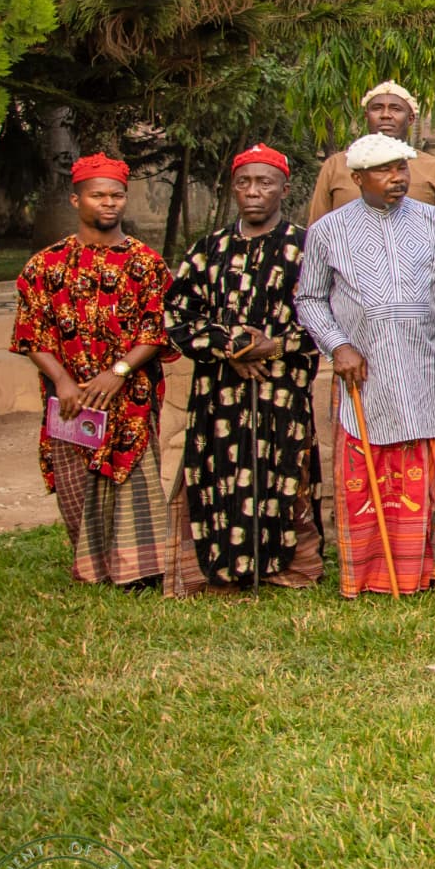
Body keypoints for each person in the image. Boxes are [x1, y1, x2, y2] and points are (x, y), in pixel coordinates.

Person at [11, 154, 188, 592]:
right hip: (70, 399)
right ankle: (93, 566)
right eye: (98, 195)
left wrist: (119, 371)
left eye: (117, 195)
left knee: (135, 481)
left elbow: (158, 329)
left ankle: (139, 571)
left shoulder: (147, 264)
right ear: (77, 199)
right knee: (77, 484)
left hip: (130, 397)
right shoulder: (44, 265)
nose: (108, 203)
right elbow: (31, 332)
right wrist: (64, 381)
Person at [296, 132, 435, 597]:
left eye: (402, 168)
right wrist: (338, 345)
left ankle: (431, 571)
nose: (397, 178)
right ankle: (368, 575)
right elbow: (309, 299)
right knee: (365, 472)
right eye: (385, 170)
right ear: (357, 178)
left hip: (423, 365)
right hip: (362, 372)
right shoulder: (328, 231)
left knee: (431, 467)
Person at [162, 145, 323, 589]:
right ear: (234, 188)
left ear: (284, 189)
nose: (254, 192)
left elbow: (332, 317)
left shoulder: (306, 248)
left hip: (283, 390)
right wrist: (232, 347)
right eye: (245, 183)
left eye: (265, 183)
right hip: (220, 392)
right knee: (217, 474)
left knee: (286, 474)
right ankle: (218, 567)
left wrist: (272, 347)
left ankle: (288, 568)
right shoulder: (208, 250)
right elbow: (177, 313)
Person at [307, 81, 435, 220]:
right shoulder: (336, 165)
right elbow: (317, 229)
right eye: (377, 108)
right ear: (366, 116)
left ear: (411, 118)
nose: (385, 115)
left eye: (395, 109)